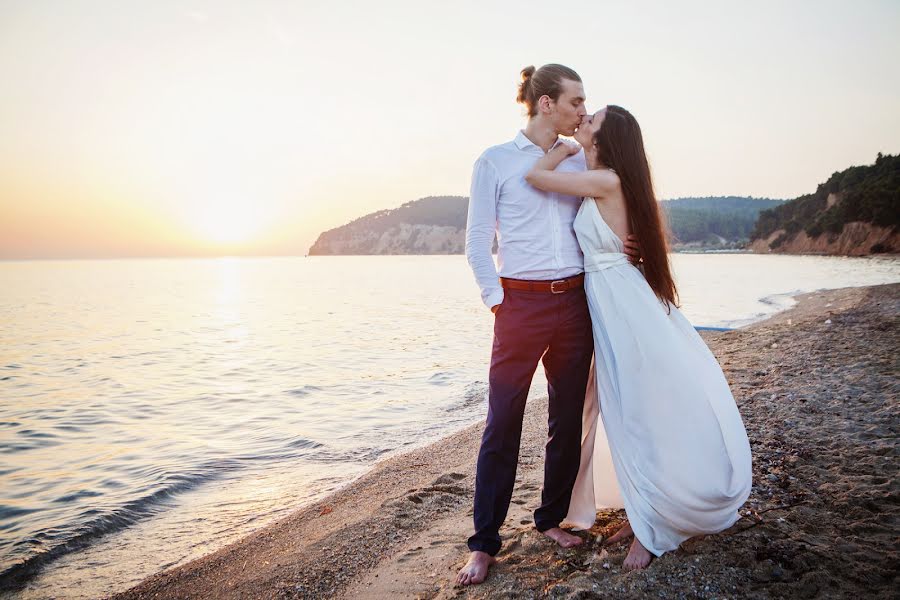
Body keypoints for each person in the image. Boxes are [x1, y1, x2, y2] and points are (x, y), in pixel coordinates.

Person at [524, 105, 753, 571]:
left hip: (623, 308)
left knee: (638, 411)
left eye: (592, 121)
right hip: (611, 304)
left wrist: (563, 145)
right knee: (623, 410)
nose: (583, 120)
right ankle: (643, 506)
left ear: (606, 141)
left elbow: (536, 176)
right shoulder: (608, 181)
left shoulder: (606, 179)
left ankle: (653, 530)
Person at [457, 65, 640, 586]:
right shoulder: (494, 161)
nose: (584, 111)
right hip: (519, 304)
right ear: (545, 104)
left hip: (576, 302)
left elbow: (618, 205)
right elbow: (476, 242)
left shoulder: (583, 158)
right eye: (576, 101)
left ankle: (550, 519)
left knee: (568, 419)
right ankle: (484, 544)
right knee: (502, 423)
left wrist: (635, 244)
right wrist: (499, 302)